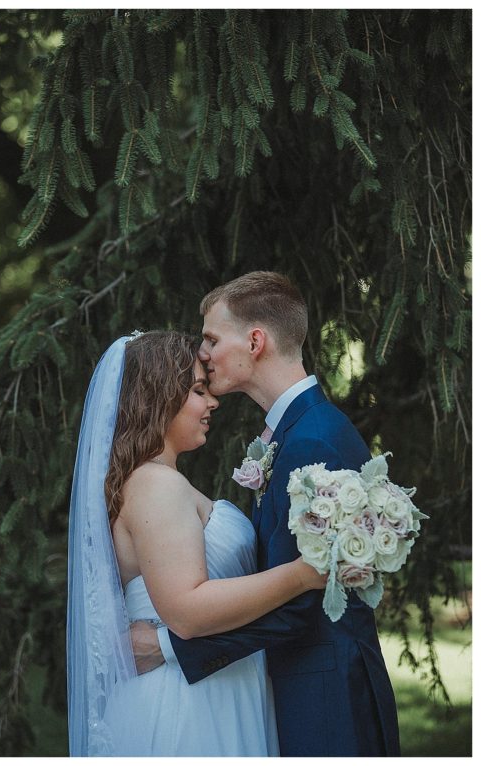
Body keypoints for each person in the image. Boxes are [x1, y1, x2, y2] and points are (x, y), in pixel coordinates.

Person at [131, 272, 400, 756]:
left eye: (212, 339)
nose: (203, 353)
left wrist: (169, 647)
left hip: (327, 701)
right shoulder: (294, 433)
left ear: (255, 342)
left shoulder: (313, 440)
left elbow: (304, 598)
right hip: (303, 688)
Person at [67, 330, 326, 756]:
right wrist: (303, 574)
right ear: (157, 397)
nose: (212, 402)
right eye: (198, 391)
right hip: (186, 702)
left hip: (208, 682)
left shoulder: (155, 481)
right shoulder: (155, 485)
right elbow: (187, 611)